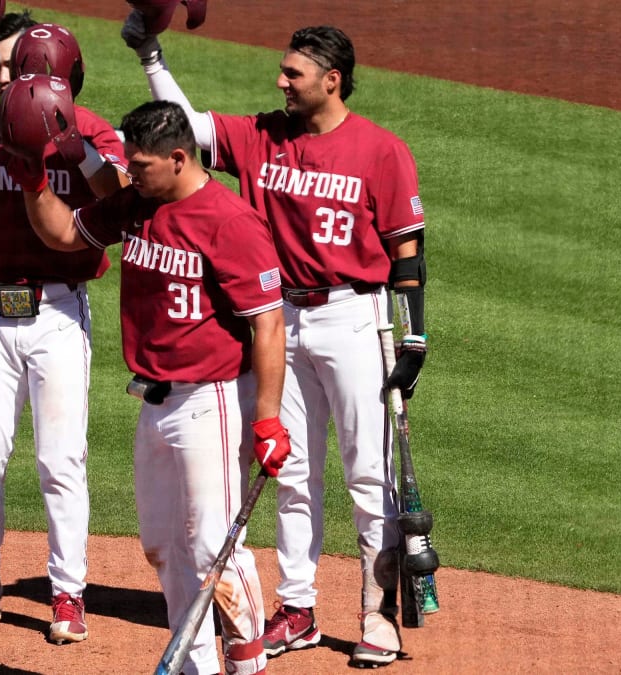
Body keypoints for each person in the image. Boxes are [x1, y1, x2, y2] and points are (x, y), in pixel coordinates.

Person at [122, 16, 430, 668]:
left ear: (332, 79)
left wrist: (416, 334)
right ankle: (298, 606)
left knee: (366, 474)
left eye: (294, 73)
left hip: (354, 318)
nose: (281, 80)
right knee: (288, 469)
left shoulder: (381, 150)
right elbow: (188, 127)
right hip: (282, 317)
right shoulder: (263, 135)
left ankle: (377, 616)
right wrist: (150, 53)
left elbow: (407, 248)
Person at [13, 98, 291, 675]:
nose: (128, 174)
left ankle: (248, 659)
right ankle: (196, 666)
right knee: (163, 547)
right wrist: (33, 181)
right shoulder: (137, 204)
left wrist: (267, 419)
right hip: (154, 400)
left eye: (139, 165)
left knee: (216, 546)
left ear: (179, 158)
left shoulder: (230, 221)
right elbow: (64, 233)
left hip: (211, 400)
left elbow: (268, 322)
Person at [0, 11, 127, 644]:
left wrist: (74, 147)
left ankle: (68, 593)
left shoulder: (95, 134)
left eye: (16, 68)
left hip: (61, 313)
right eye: (6, 68)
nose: (7, 76)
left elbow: (121, 195)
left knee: (60, 460)